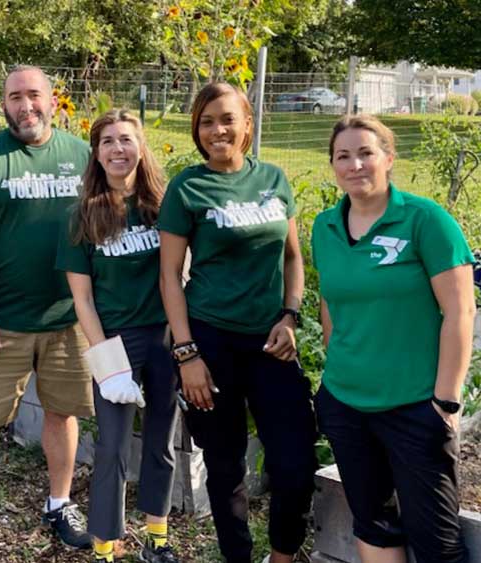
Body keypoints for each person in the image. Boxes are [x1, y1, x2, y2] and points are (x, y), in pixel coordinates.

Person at [0, 65, 94, 563]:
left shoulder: (81, 154)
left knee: (62, 413)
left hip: (68, 318)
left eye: (33, 95)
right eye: (14, 97)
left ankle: (60, 504)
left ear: (53, 99)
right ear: (3, 104)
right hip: (1, 322)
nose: (25, 106)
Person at [157, 82, 317, 563]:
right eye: (206, 122)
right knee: (225, 468)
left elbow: (292, 257)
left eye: (227, 119)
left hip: (271, 342)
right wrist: (186, 353)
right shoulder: (187, 187)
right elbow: (169, 277)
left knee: (295, 463)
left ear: (247, 123)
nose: (217, 131)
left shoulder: (273, 178)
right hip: (209, 342)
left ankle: (282, 556)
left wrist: (290, 315)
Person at [312, 115, 476, 563]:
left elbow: (460, 311)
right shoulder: (325, 227)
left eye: (366, 153)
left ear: (388, 158)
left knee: (437, 542)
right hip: (346, 404)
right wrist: (335, 373)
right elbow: (331, 303)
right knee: (374, 524)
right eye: (343, 156)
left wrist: (446, 402)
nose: (355, 165)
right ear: (333, 165)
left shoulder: (426, 220)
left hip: (415, 407)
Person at [56, 109, 181, 563]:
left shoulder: (164, 207)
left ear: (140, 147)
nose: (118, 149)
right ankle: (105, 545)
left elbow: (179, 274)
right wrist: (108, 365)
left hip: (164, 337)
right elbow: (83, 300)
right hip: (114, 341)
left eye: (126, 139)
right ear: (96, 153)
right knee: (111, 446)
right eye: (107, 141)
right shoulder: (81, 217)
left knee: (162, 440)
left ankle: (157, 538)